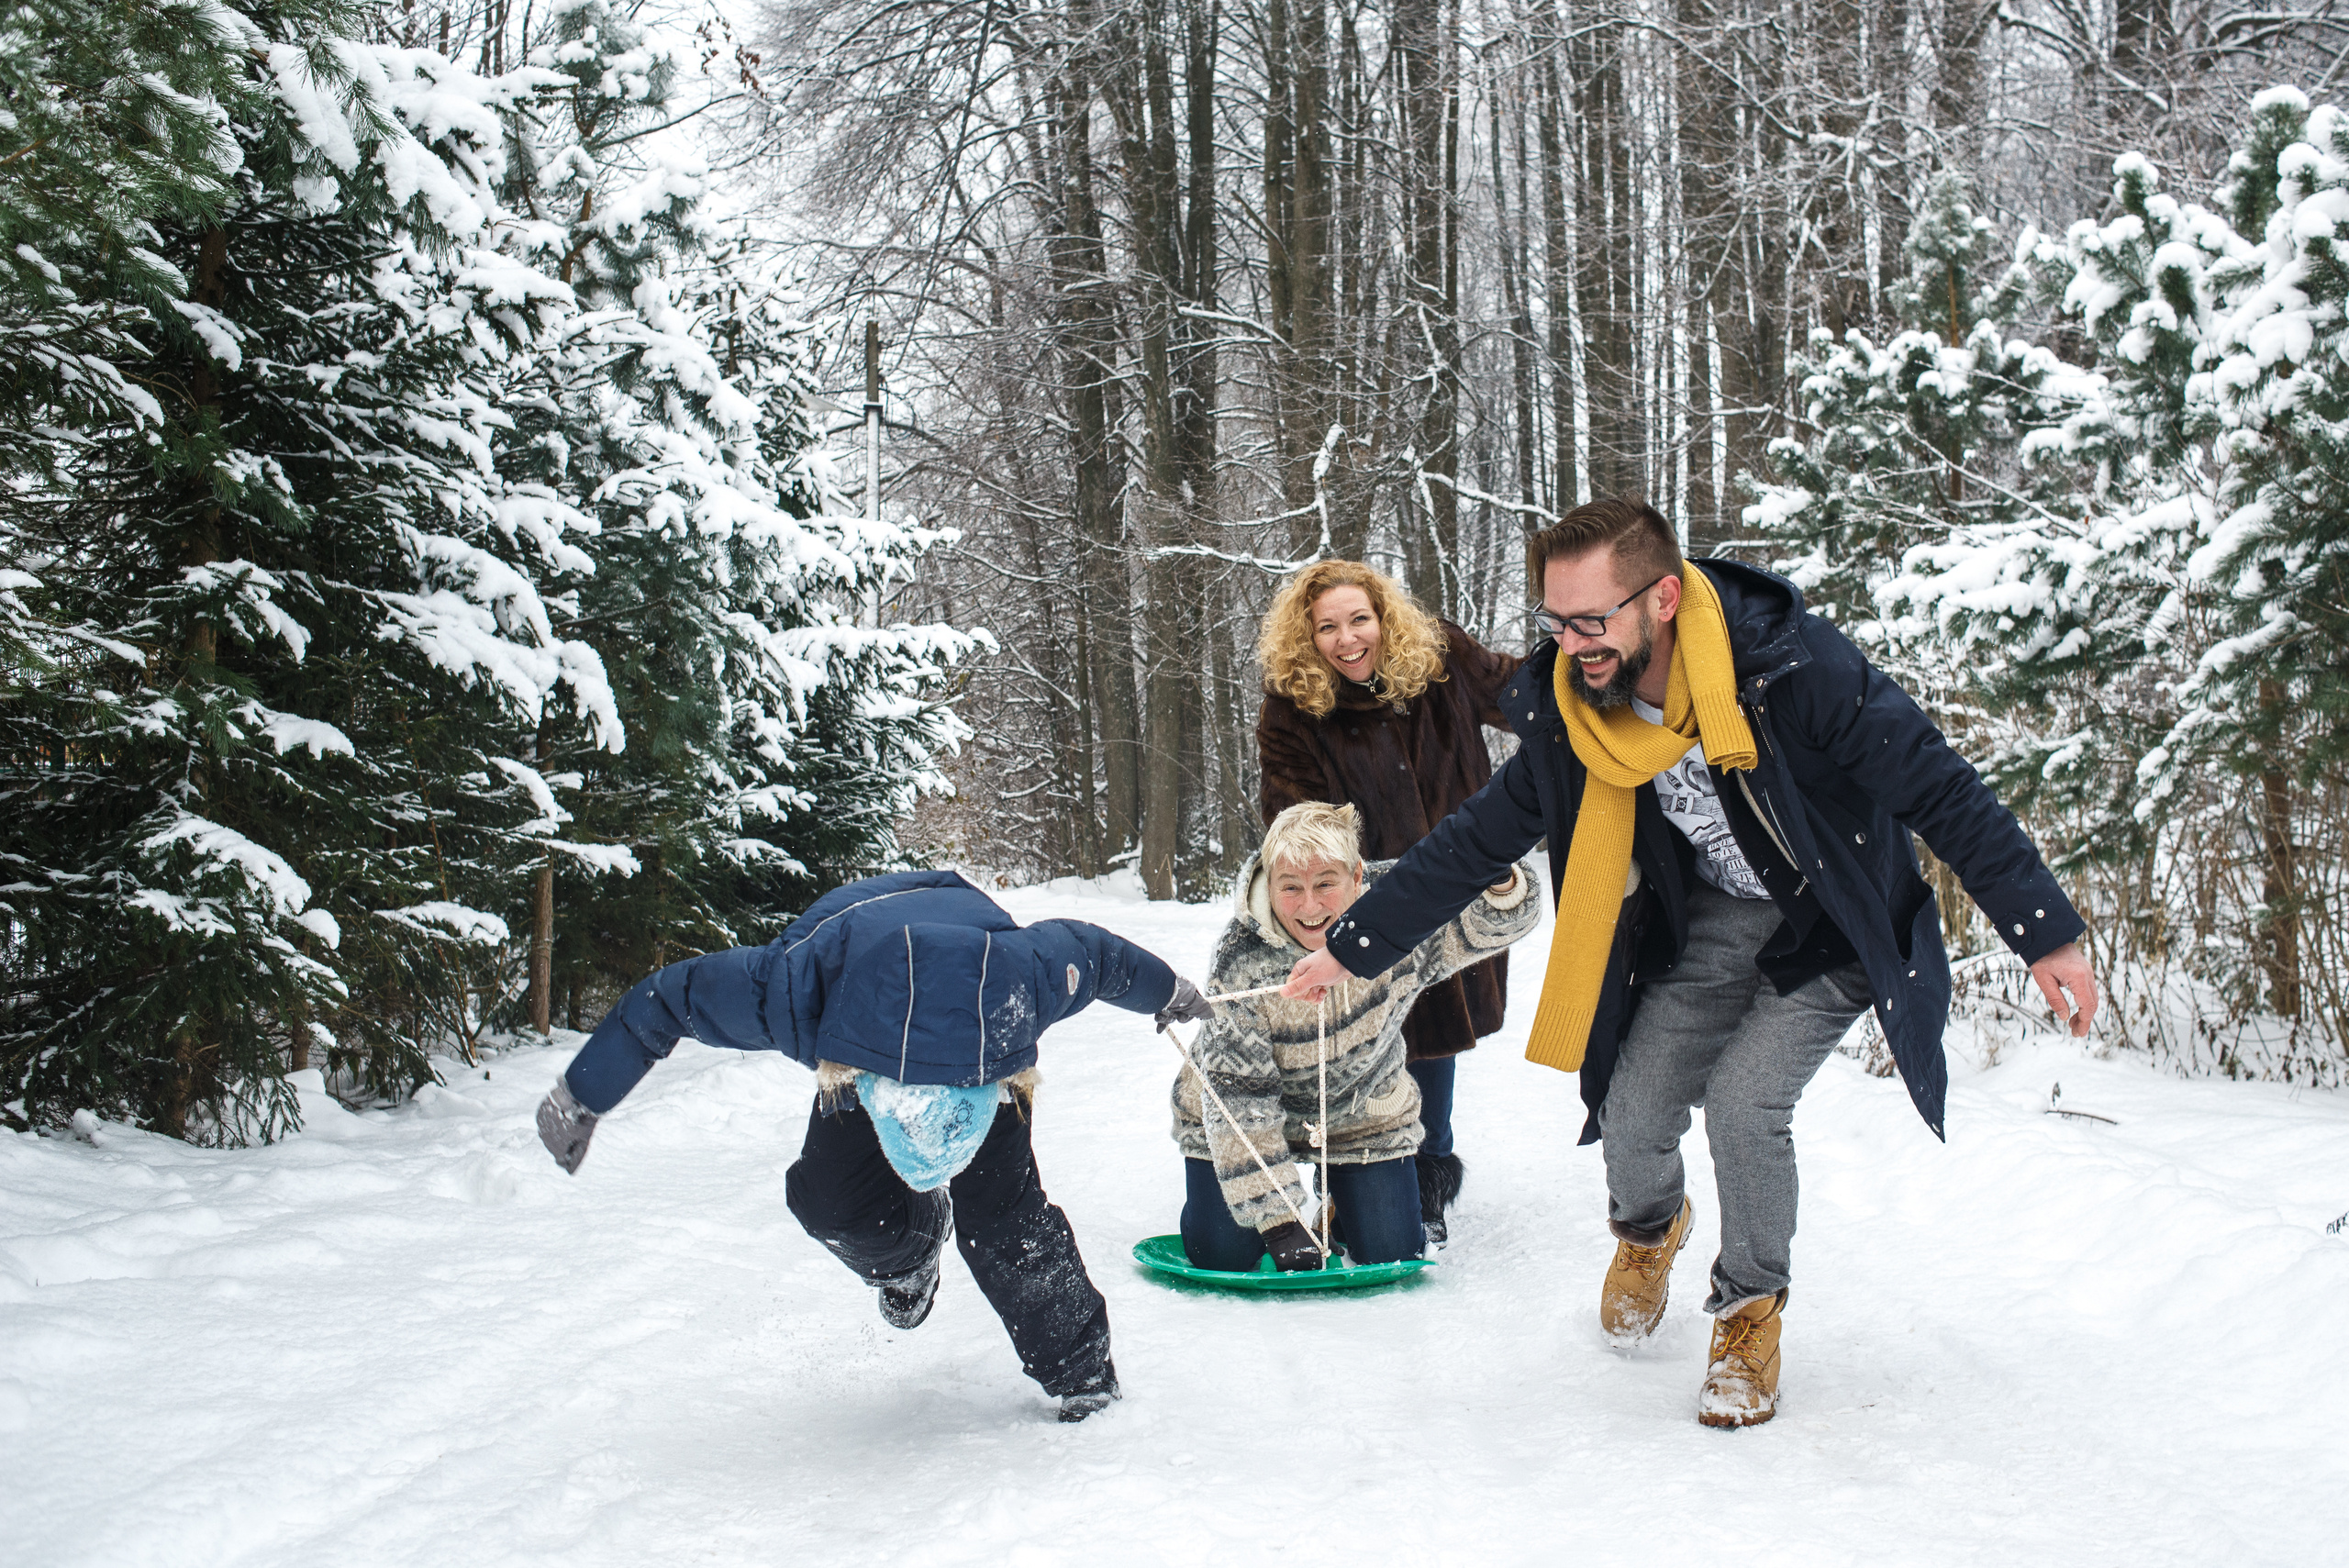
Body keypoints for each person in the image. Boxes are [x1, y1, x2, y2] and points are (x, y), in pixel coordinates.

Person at [1282, 498, 2099, 1429]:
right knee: (1629, 1110)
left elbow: (1937, 785)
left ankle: (1748, 1311)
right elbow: (1474, 840)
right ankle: (1647, 1227)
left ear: (1662, 598)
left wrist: (2043, 930)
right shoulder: (1576, 705)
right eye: (1554, 621)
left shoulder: (1796, 671)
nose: (1569, 642)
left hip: (1828, 918)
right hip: (1713, 920)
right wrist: (1355, 942)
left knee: (1747, 1105)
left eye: (1591, 619)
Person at [530, 868, 1214, 1422]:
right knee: (828, 1198)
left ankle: (1083, 1373)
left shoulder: (1030, 977)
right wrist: (581, 1094)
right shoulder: (791, 991)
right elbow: (663, 1000)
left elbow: (1101, 956)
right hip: (863, 1025)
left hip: (980, 1039)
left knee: (1006, 1218)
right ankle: (909, 1261)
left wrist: (1170, 991)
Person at [1254, 560, 1523, 1244]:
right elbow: (1294, 816)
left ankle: (1429, 1171)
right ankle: (1358, 1176)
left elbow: (1524, 693)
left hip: (1459, 889)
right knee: (1364, 1040)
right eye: (1328, 627)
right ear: (1306, 635)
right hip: (1361, 904)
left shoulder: (1441, 658)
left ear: (1384, 616)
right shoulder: (1292, 706)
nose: (1347, 640)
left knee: (1433, 1035)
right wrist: (1335, 899)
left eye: (1358, 620)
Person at [1171, 802, 1540, 1271]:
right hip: (1242, 1120)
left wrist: (1496, 872)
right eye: (1291, 887)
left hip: (1360, 1114)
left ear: (1357, 874)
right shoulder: (1240, 958)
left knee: (1391, 1254)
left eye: (1326, 883)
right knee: (1220, 1255)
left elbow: (1490, 921)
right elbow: (1240, 1100)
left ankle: (1345, 1201)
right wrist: (1279, 1222)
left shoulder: (1395, 912)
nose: (1309, 906)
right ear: (1270, 880)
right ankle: (1228, 1212)